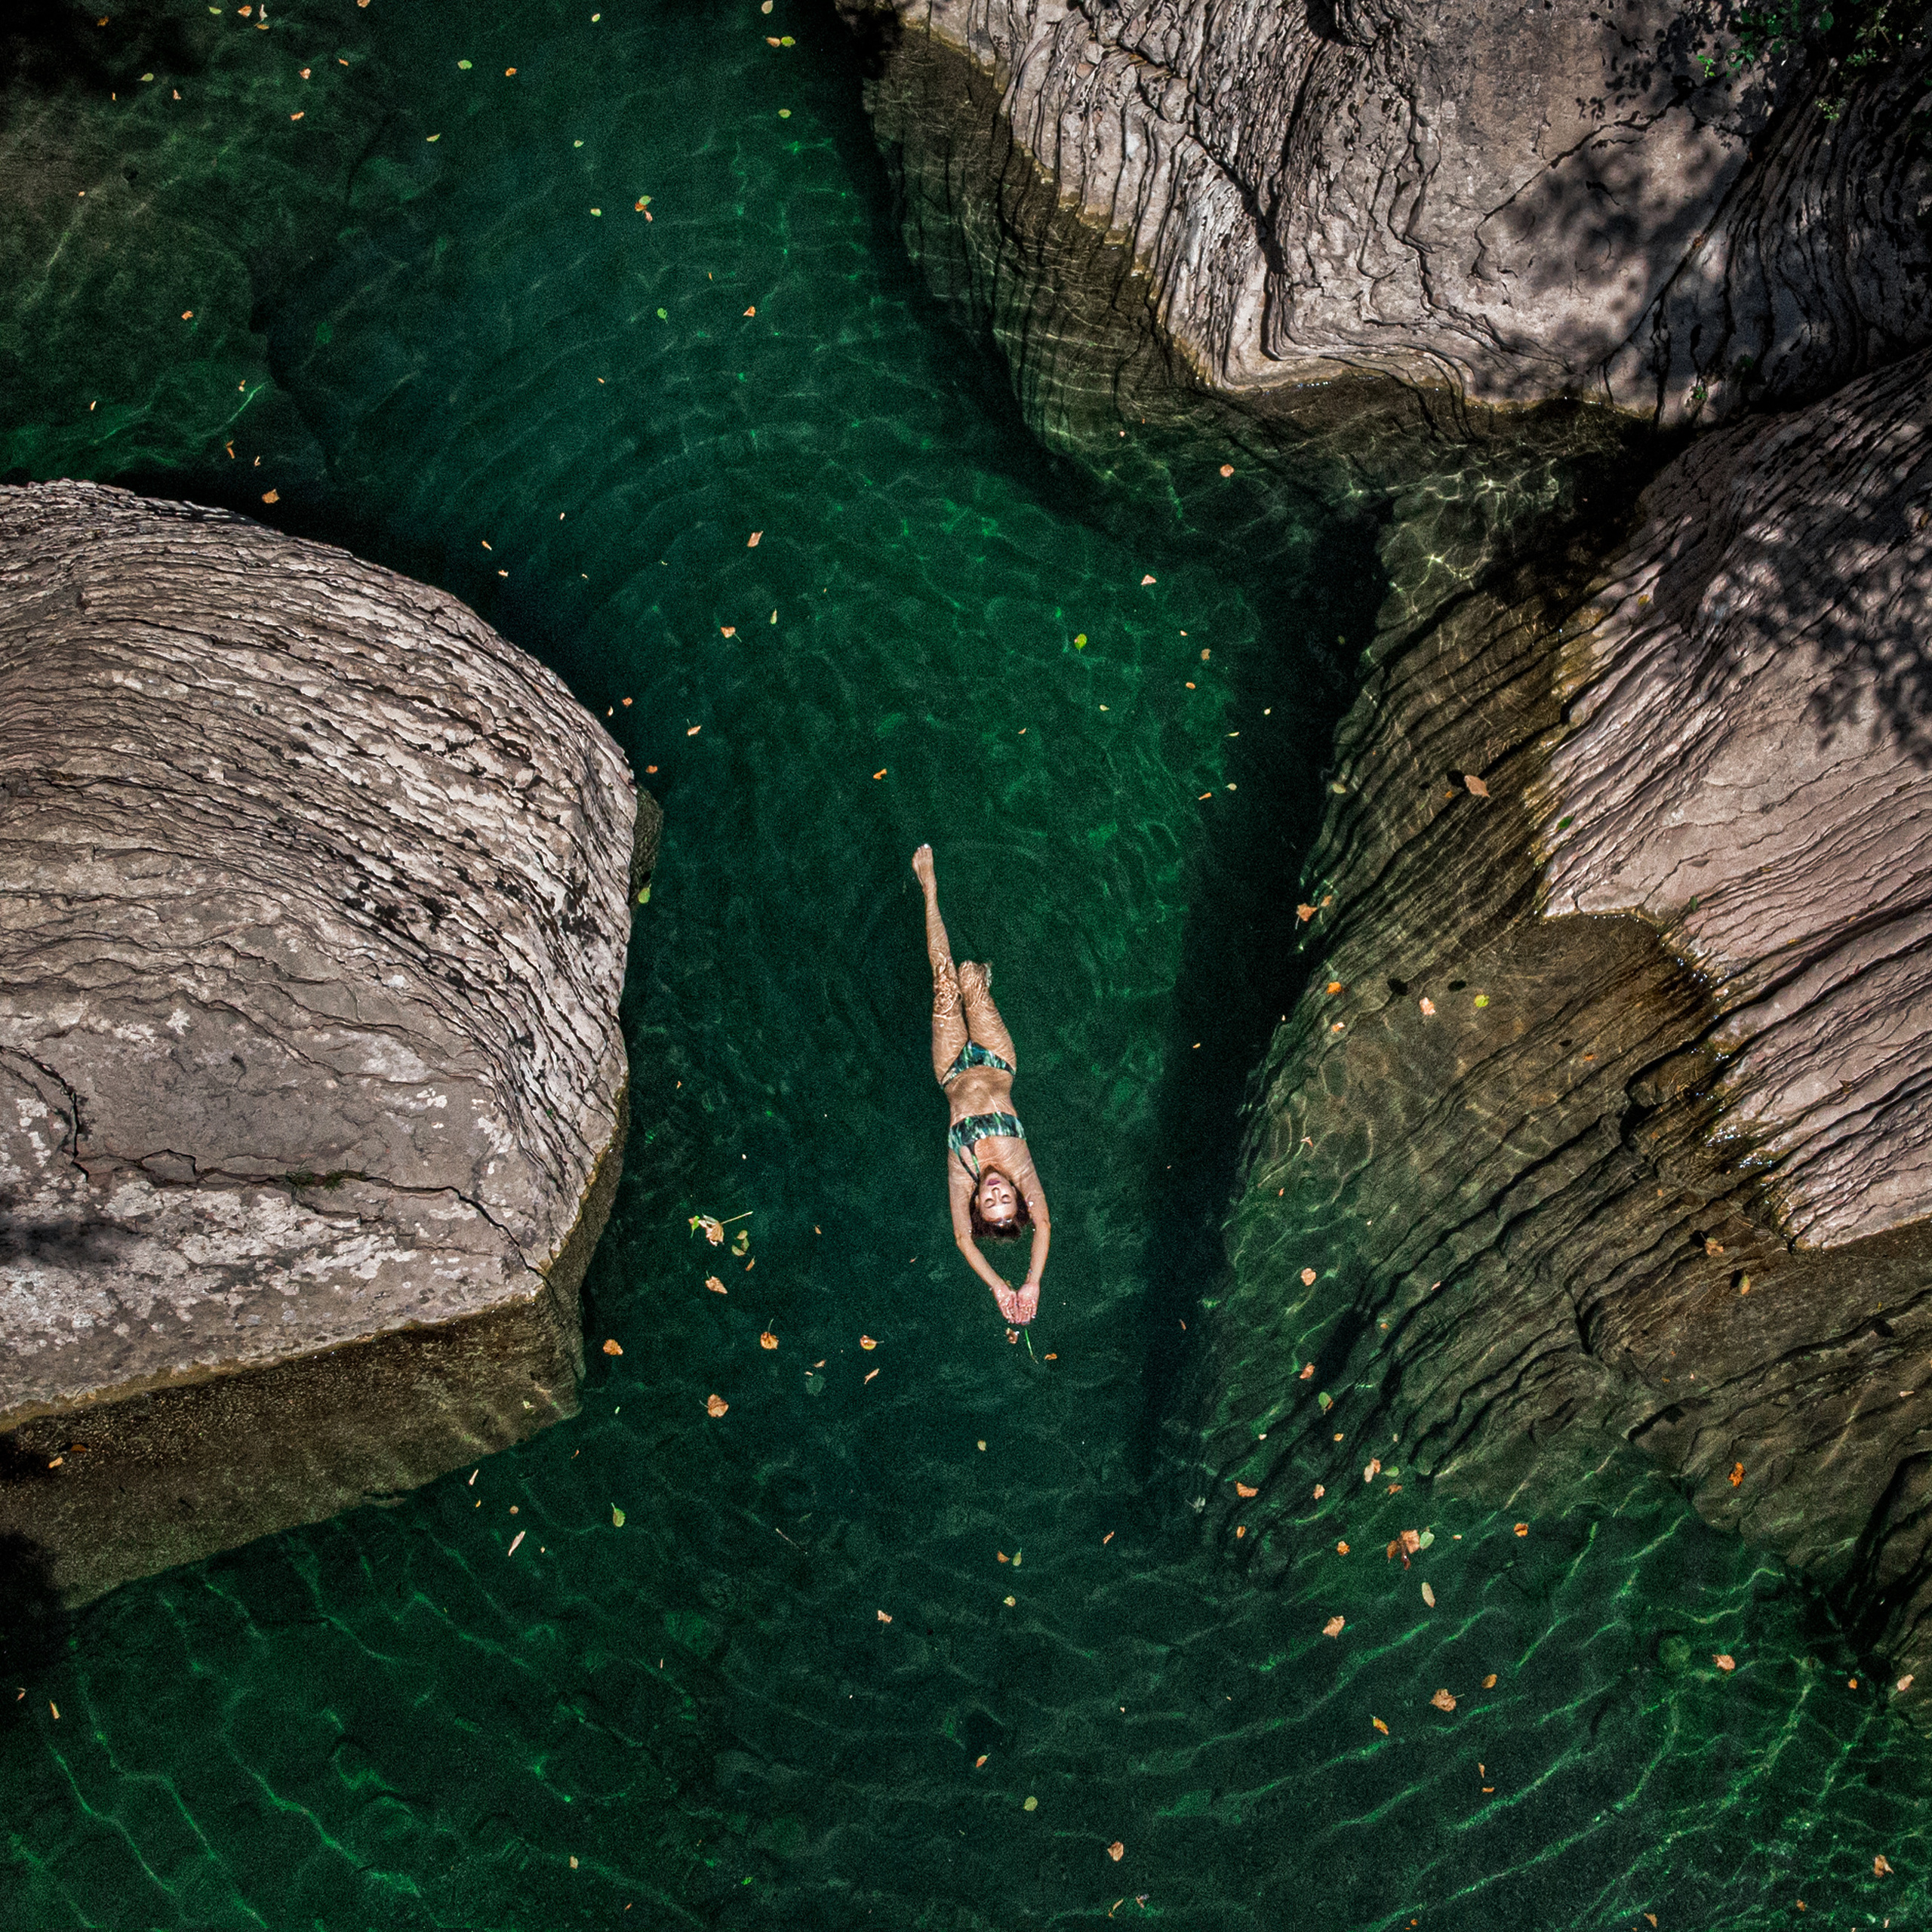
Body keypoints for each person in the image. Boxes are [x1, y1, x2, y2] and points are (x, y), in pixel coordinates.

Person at [913, 843, 1050, 1327]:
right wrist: (1030, 1280)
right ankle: (982, 980)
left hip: (951, 1069)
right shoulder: (1020, 1166)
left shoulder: (961, 1177)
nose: (994, 1192)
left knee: (945, 982)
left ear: (975, 1203)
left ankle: (930, 890)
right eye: (1004, 1198)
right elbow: (1046, 1225)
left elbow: (963, 1241)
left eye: (988, 1202)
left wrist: (998, 1286)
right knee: (971, 977)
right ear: (1016, 1193)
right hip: (996, 1063)